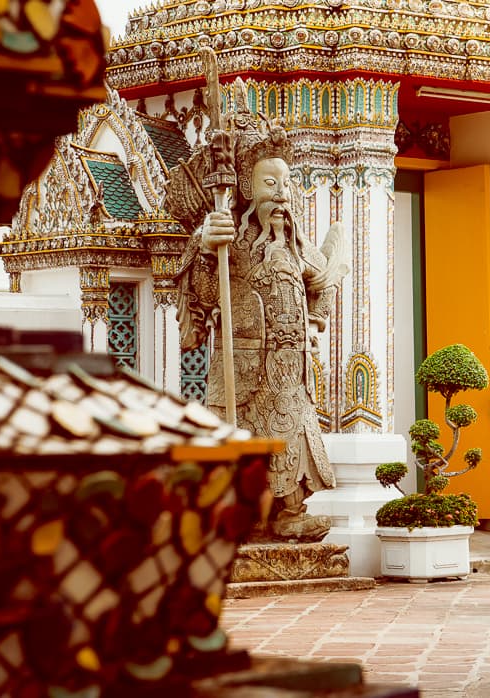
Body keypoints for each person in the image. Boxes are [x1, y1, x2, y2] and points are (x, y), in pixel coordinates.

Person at [171, 90, 341, 540]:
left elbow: (317, 282)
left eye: (286, 185)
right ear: (247, 189)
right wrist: (208, 246)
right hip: (243, 366)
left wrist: (317, 311)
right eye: (270, 185)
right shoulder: (232, 245)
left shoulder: (294, 246)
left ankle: (291, 513)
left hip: (290, 370)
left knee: (294, 438)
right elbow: (202, 296)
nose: (281, 195)